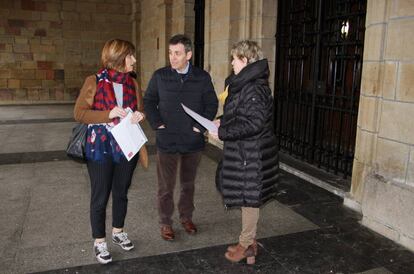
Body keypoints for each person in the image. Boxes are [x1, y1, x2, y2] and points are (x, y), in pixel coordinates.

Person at [74, 39, 145, 264]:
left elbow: (139, 109)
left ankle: (118, 231)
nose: (134, 59)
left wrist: (138, 115)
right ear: (119, 59)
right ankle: (99, 241)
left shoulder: (132, 83)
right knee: (100, 195)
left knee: (121, 191)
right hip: (100, 149)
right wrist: (108, 113)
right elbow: (80, 113)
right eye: (131, 56)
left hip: (127, 146)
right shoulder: (93, 81)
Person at [209, 40, 279, 265]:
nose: (231, 62)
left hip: (251, 154)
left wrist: (223, 133)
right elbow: (239, 116)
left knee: (250, 199)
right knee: (247, 197)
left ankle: (246, 243)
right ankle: (250, 246)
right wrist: (221, 123)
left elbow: (254, 124)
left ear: (246, 60)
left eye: (235, 59)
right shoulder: (245, 85)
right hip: (245, 152)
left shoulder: (253, 88)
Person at [144, 34, 218, 241]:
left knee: (188, 184)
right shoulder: (160, 76)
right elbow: (149, 100)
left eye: (177, 53)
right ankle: (166, 222)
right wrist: (157, 123)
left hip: (192, 141)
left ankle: (186, 217)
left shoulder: (202, 77)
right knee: (165, 186)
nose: (172, 57)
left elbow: (211, 104)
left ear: (189, 55)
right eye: (170, 53)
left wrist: (198, 127)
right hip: (166, 139)